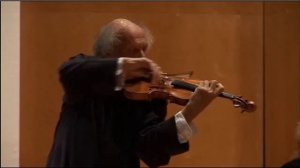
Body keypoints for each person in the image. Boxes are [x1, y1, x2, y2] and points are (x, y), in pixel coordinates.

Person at [47, 18, 224, 167]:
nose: (143, 57)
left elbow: (152, 154)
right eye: (134, 51)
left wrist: (190, 112)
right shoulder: (84, 73)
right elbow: (68, 71)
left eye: (144, 50)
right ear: (111, 52)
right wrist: (127, 66)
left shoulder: (146, 95)